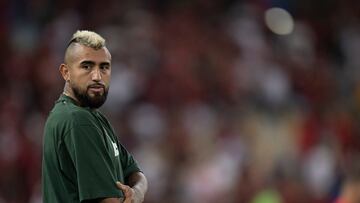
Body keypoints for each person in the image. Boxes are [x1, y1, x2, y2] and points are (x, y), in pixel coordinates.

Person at [42, 30, 148, 203]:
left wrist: (136, 193)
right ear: (65, 72)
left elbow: (137, 174)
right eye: (86, 66)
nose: (97, 76)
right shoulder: (77, 121)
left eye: (104, 67)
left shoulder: (93, 117)